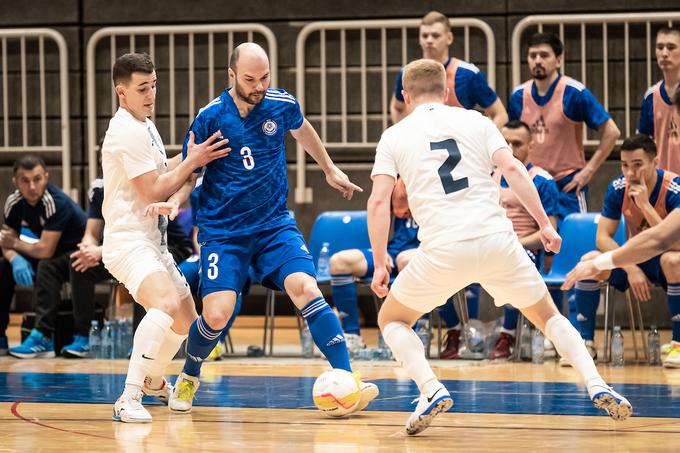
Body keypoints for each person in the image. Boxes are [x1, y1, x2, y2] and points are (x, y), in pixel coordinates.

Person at [368, 59, 631, 435]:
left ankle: (430, 389)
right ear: (446, 92)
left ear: (405, 96)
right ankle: (596, 383)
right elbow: (515, 171)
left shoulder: (394, 135)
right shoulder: (477, 121)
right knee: (549, 316)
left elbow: (379, 203)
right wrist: (544, 225)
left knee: (392, 320)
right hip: (497, 241)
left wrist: (381, 262)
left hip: (443, 248)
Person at [169, 42, 378, 414]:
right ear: (231, 75)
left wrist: (329, 169)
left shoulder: (281, 103)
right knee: (216, 313)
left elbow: (302, 129)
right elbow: (190, 171)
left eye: (264, 77)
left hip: (273, 225)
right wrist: (174, 200)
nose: (259, 85)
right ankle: (188, 376)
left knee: (306, 287)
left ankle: (348, 379)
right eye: (250, 79)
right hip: (224, 232)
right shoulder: (211, 117)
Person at [101, 52, 229, 423]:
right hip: (127, 242)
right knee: (164, 304)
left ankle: (155, 379)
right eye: (143, 88)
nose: (151, 94)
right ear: (121, 92)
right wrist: (191, 162)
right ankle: (129, 396)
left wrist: (192, 158)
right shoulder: (125, 130)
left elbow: (164, 171)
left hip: (153, 243)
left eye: (154, 85)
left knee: (187, 323)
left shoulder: (144, 125)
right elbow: (152, 191)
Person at [566, 134, 680, 368]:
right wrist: (631, 268)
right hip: (634, 260)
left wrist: (646, 206)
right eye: (625, 165)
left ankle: (678, 343)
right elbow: (602, 238)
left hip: (664, 259)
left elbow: (674, 241)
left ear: (655, 163)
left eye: (638, 165)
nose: (630, 173)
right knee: (589, 261)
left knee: (674, 261)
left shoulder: (673, 188)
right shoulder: (618, 188)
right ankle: (585, 343)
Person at [1, 155, 87, 358]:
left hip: (77, 251)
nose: (32, 186)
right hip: (46, 250)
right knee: (3, 266)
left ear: (46, 177)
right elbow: (5, 242)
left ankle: (43, 337)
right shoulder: (13, 202)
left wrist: (14, 244)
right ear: (15, 181)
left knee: (47, 265)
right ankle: (1, 335)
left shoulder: (55, 202)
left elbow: (45, 250)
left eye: (37, 179)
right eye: (25, 180)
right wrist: (14, 258)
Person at [489, 120, 559, 360]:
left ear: (531, 147)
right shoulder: (487, 177)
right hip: (489, 244)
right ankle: (456, 333)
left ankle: (507, 334)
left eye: (516, 143)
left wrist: (516, 244)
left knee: (513, 261)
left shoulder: (543, 180)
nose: (509, 147)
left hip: (524, 246)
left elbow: (548, 232)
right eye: (505, 142)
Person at [328, 178, 418, 353]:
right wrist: (380, 251)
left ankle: (409, 336)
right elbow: (383, 209)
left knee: (406, 261)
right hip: (393, 251)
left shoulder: (441, 183)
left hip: (424, 250)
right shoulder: (398, 177)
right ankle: (352, 336)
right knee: (339, 262)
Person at [390, 10, 507, 128]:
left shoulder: (468, 74)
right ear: (419, 39)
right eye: (425, 36)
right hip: (420, 144)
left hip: (459, 143)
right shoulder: (407, 73)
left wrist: (482, 143)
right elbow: (397, 108)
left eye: (435, 35)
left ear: (449, 38)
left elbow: (499, 114)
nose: (429, 40)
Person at [638, 26, 680, 173]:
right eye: (660, 47)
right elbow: (642, 143)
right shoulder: (651, 96)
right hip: (663, 183)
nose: (664, 53)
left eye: (671, 47)